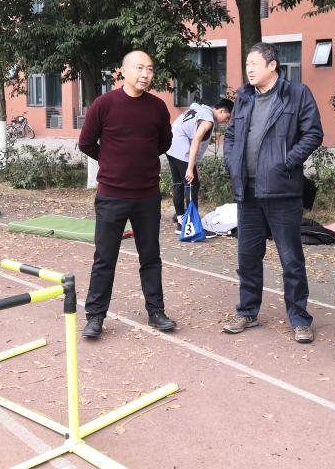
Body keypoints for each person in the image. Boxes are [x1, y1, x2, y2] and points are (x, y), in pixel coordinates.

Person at [222, 42, 323, 344]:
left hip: (282, 192)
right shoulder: (244, 97)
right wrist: (232, 163)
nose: (249, 69)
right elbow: (231, 135)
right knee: (247, 257)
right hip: (248, 192)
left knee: (291, 260)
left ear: (272, 65)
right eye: (247, 64)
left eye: (254, 64)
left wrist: (287, 161)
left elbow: (313, 133)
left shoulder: (297, 94)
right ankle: (247, 311)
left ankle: (299, 318)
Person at [77, 50, 177, 338]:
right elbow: (86, 143)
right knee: (105, 258)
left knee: (151, 256)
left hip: (147, 196)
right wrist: (110, 160)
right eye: (139, 68)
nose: (145, 74)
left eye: (150, 69)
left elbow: (164, 143)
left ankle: (156, 311)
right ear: (122, 71)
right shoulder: (104, 104)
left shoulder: (157, 107)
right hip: (112, 195)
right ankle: (95, 316)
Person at [166, 98, 234, 231]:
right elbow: (196, 141)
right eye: (227, 117)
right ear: (222, 111)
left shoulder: (199, 109)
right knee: (192, 185)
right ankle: (192, 226)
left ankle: (181, 222)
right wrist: (189, 168)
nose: (226, 121)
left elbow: (189, 134)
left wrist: (194, 166)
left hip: (171, 147)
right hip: (181, 149)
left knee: (178, 184)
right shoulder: (208, 120)